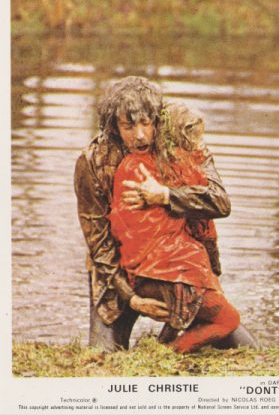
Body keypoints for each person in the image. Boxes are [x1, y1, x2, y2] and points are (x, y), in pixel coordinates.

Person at [74, 76, 255, 351]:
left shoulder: (181, 140)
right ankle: (162, 343)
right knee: (105, 356)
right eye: (128, 125)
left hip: (179, 269)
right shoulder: (93, 161)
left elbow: (220, 202)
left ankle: (166, 344)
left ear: (158, 119)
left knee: (246, 348)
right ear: (113, 125)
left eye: (146, 123)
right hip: (117, 274)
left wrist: (165, 195)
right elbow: (99, 245)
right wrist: (132, 299)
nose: (140, 135)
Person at [109, 103, 240, 351]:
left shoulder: (130, 164)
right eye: (194, 141)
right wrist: (214, 272)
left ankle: (166, 341)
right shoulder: (184, 170)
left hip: (134, 271)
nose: (199, 147)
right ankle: (169, 352)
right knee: (229, 319)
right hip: (166, 273)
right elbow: (205, 228)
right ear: (182, 139)